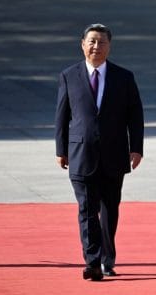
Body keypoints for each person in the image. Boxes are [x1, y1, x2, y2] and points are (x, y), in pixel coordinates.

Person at [55, 23, 144, 281]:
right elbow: (62, 116)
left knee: (110, 210)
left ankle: (107, 257)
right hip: (81, 153)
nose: (96, 46)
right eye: (92, 41)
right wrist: (61, 149)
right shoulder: (69, 75)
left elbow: (135, 115)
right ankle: (92, 261)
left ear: (109, 46)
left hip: (115, 154)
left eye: (102, 42)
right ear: (82, 44)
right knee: (86, 209)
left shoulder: (123, 77)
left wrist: (136, 148)